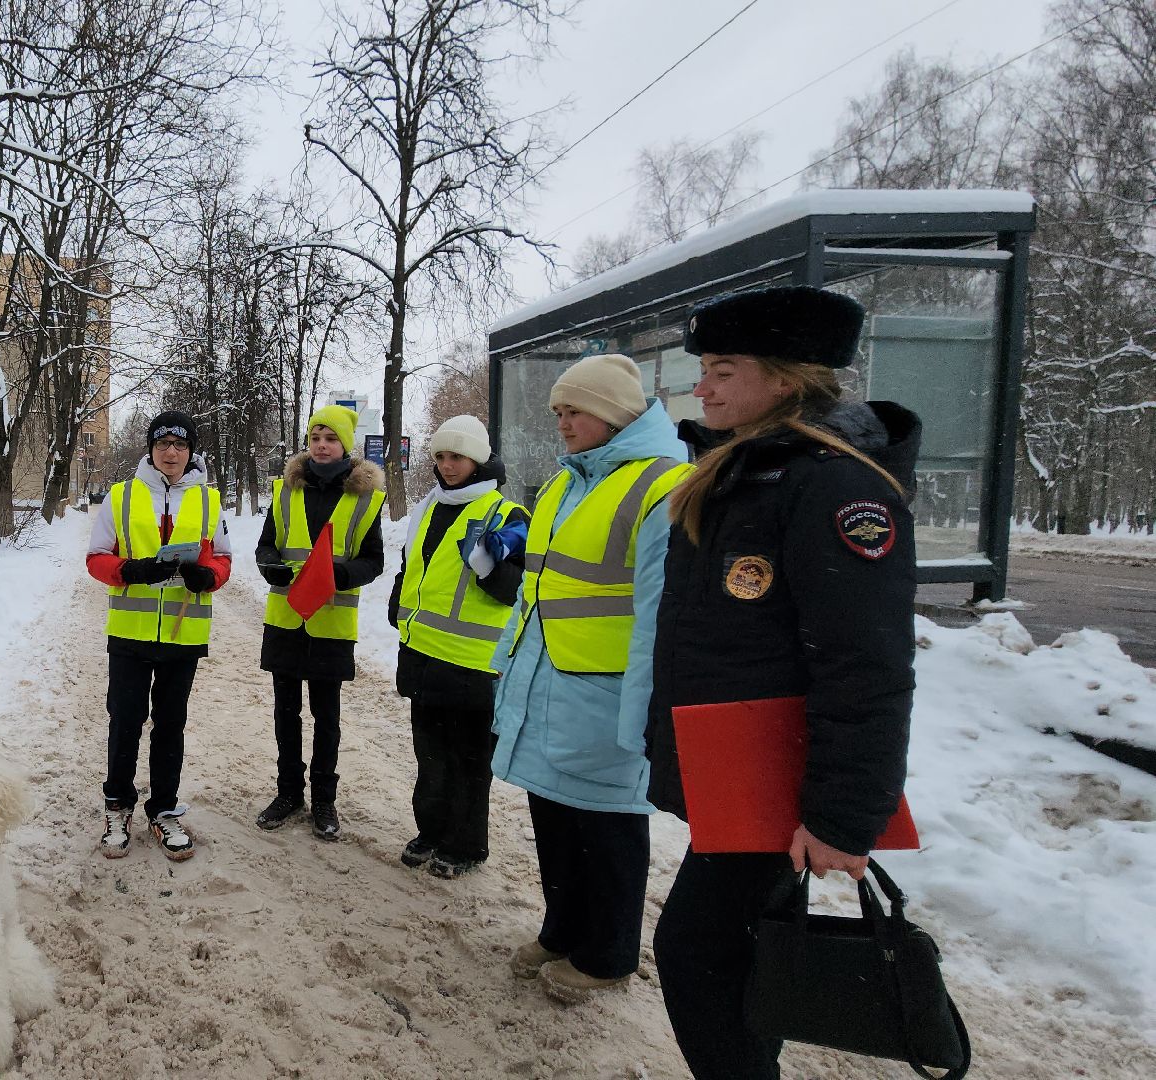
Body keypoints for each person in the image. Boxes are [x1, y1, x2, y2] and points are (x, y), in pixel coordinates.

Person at [646, 285, 919, 1079]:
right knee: (736, 957)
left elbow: (864, 662)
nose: (702, 387)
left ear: (787, 377)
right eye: (704, 368)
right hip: (742, 771)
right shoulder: (752, 469)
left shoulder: (835, 485)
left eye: (723, 370)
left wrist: (844, 816)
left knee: (695, 952)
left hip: (777, 776)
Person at [487, 354, 691, 1004]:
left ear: (613, 414)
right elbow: (534, 594)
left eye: (574, 411)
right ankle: (562, 930)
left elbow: (660, 617)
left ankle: (608, 954)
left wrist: (645, 718)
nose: (563, 423)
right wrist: (505, 666)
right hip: (548, 687)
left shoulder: (664, 486)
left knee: (608, 829)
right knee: (554, 820)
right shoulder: (563, 484)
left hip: (609, 699)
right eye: (558, 411)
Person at [86, 409, 232, 861]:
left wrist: (208, 577)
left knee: (170, 725)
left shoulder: (209, 500)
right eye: (163, 443)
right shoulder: (121, 495)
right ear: (151, 449)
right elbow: (96, 558)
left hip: (182, 634)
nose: (172, 452)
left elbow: (224, 559)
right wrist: (129, 570)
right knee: (125, 720)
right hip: (130, 633)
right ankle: (118, 805)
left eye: (180, 444)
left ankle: (164, 809)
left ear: (191, 452)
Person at [388, 415, 530, 879]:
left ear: (479, 460)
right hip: (424, 652)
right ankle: (431, 831)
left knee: (468, 760)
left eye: (458, 457)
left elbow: (518, 591)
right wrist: (397, 601)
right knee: (429, 755)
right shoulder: (428, 507)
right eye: (442, 457)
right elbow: (414, 565)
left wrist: (489, 567)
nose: (448, 466)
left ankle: (466, 845)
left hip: (473, 661)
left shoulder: (505, 514)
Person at [252, 405, 386, 841]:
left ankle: (324, 799)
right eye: (315, 438)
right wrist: (270, 567)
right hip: (286, 619)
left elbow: (374, 560)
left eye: (331, 439)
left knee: (326, 717)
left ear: (345, 445)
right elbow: (266, 546)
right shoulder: (285, 491)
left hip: (331, 623)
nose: (322, 446)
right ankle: (288, 792)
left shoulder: (365, 498)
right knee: (285, 713)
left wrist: (341, 575)